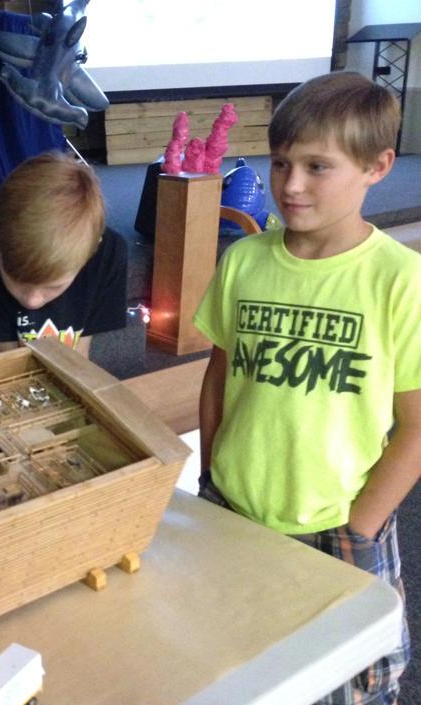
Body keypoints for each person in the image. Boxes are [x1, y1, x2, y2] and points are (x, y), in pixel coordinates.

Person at [194, 71, 421, 704]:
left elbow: (417, 427)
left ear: (378, 167)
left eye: (318, 166)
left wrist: (361, 526)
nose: (291, 185)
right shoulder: (244, 261)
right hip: (233, 507)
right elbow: (218, 378)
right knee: (235, 660)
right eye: (280, 163)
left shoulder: (401, 280)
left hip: (337, 523)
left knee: (347, 683)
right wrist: (212, 476)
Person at [0, 151, 127, 362]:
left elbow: (80, 353)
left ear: (92, 252)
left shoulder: (109, 255)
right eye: (17, 280)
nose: (32, 301)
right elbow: (12, 362)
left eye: (54, 287)